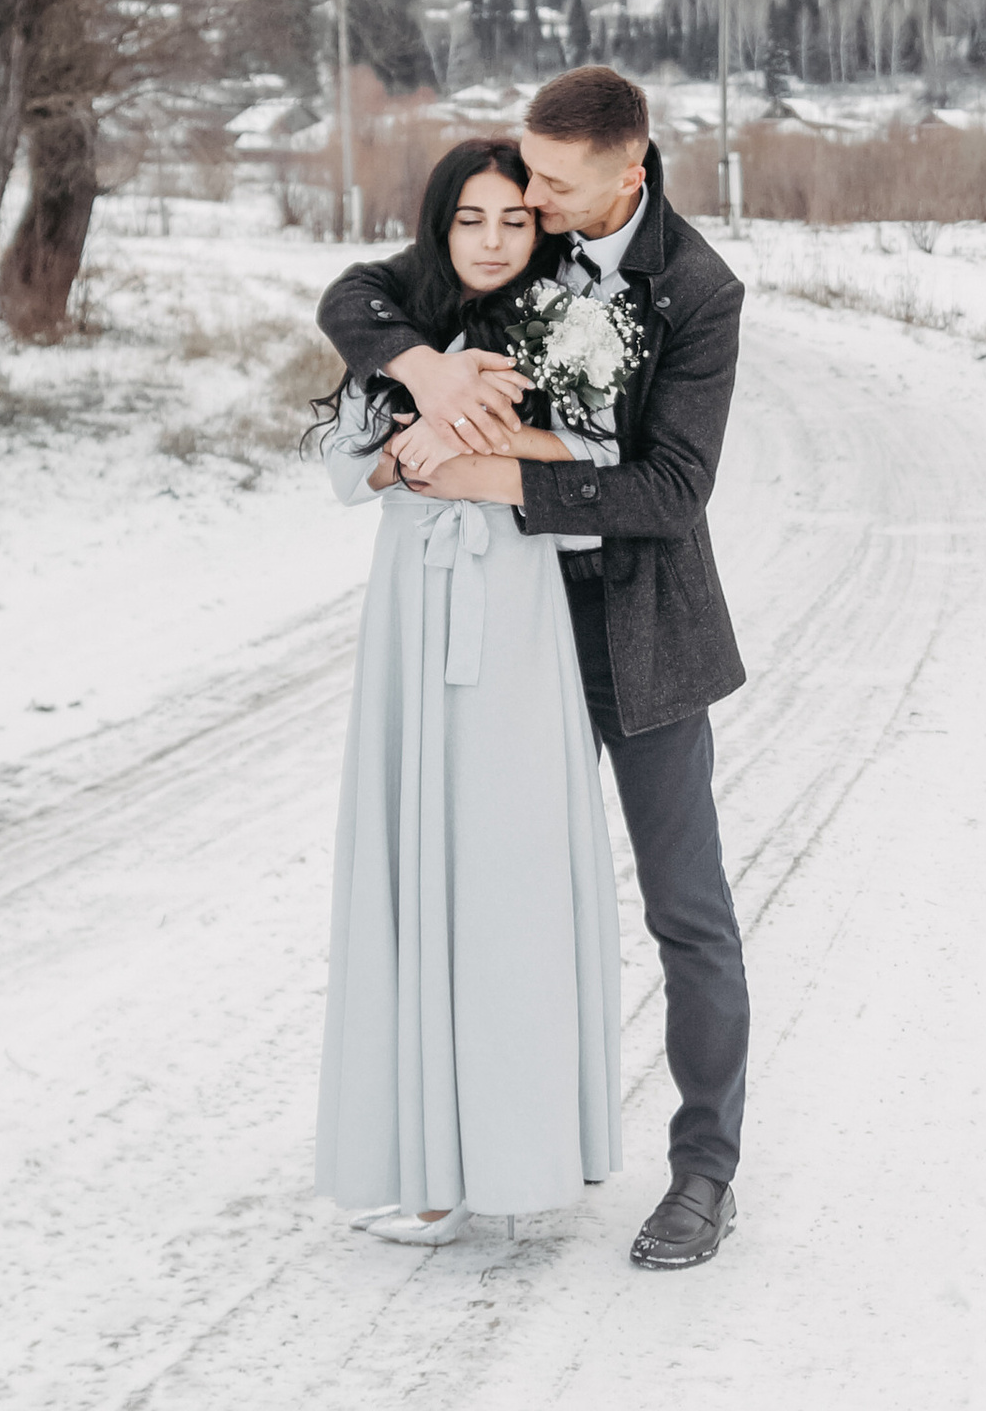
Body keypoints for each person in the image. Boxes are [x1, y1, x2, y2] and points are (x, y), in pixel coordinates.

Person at [319, 64, 750, 1272]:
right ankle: (467, 1154)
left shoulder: (701, 293)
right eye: (529, 176)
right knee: (474, 898)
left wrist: (491, 473)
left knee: (686, 911)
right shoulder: (534, 232)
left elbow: (669, 493)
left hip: (638, 636)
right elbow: (361, 292)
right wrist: (428, 373)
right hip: (505, 633)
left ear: (634, 167)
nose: (534, 202)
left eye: (556, 184)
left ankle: (704, 1172)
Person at [313, 139, 623, 1247]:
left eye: (513, 221)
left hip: (515, 609)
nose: (493, 240)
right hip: (410, 607)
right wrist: (408, 443)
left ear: (540, 230)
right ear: (440, 225)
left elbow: (597, 481)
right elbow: (348, 466)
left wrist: (498, 443)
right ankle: (431, 1176)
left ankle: (526, 1152)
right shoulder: (396, 322)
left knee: (510, 872)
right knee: (416, 869)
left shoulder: (573, 322)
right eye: (470, 220)